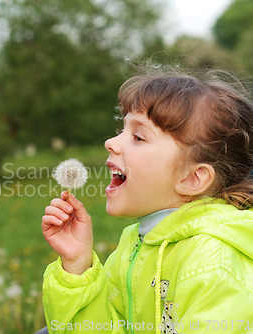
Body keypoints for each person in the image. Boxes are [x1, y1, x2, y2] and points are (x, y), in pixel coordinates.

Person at [41, 70, 253, 333]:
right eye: (121, 129)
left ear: (193, 178)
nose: (110, 142)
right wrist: (77, 266)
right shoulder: (135, 245)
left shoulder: (212, 262)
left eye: (138, 137)